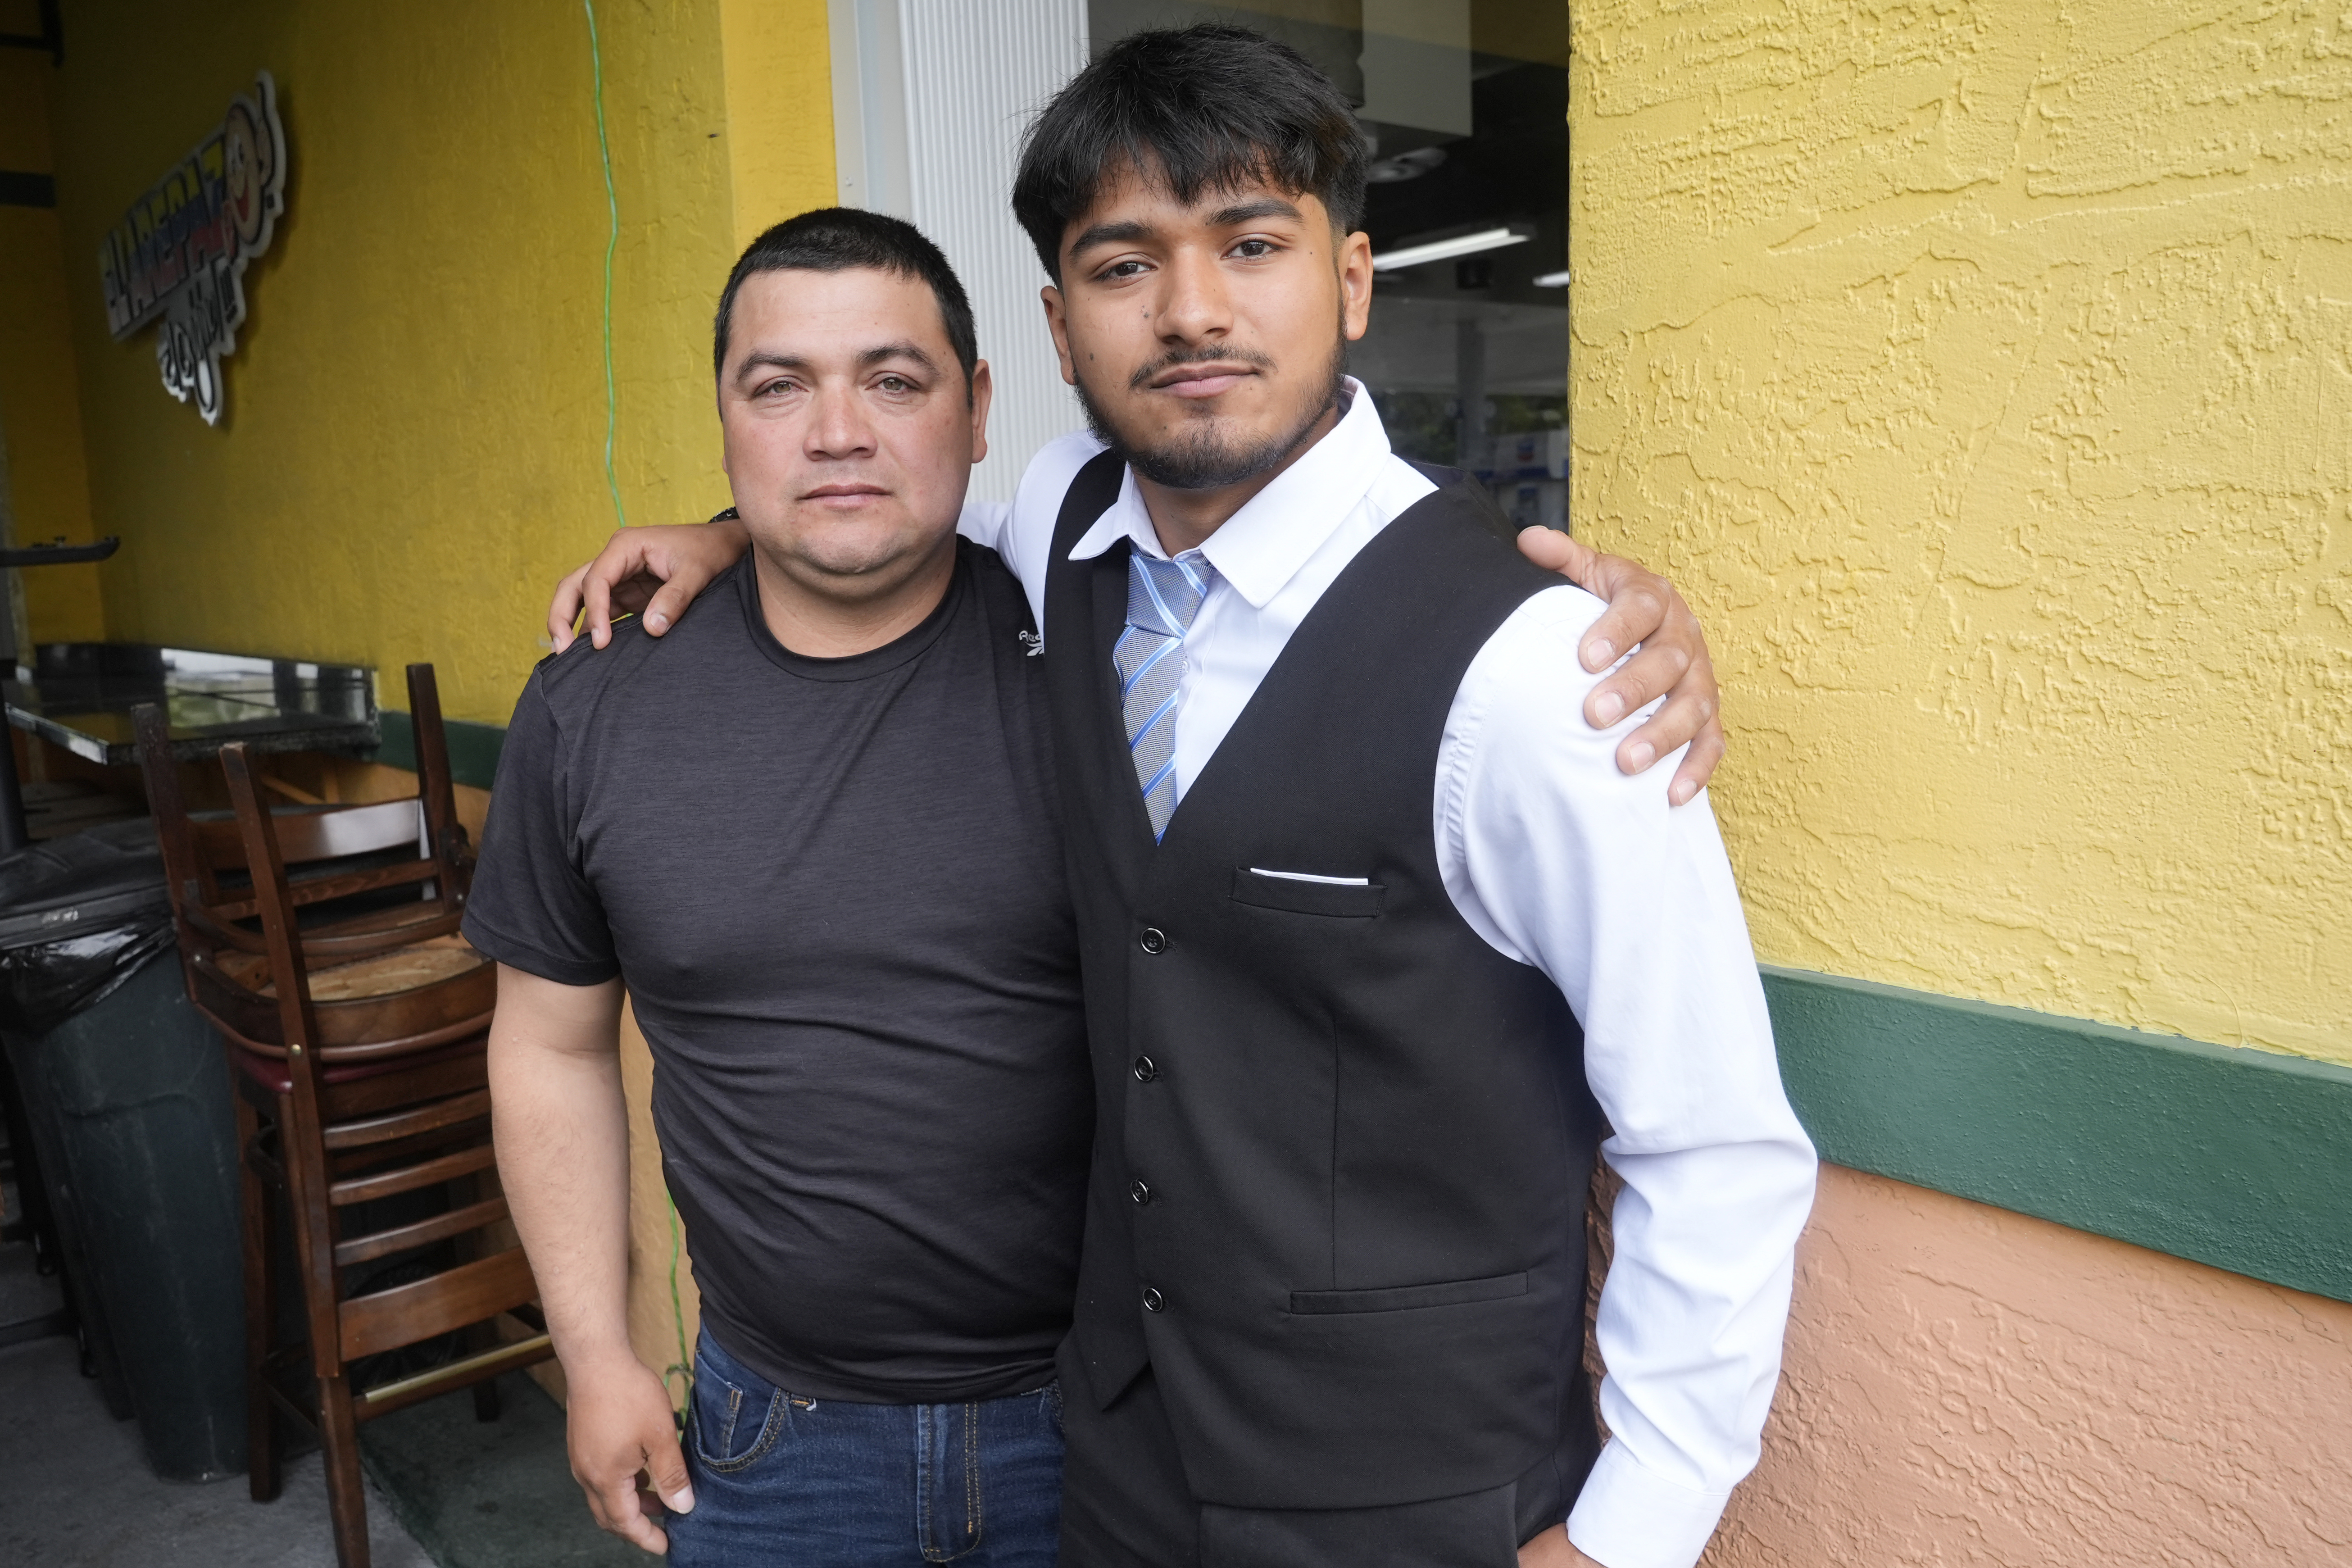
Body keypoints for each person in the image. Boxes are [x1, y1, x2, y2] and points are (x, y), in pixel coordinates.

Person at [547, 26, 1815, 1568]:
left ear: (1350, 282)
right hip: (1124, 1472)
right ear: (1063, 331)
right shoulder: (1057, 535)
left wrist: (1631, 1534)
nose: (1194, 310)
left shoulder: (1546, 674)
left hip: (1423, 1503)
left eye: (1253, 242)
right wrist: (719, 536)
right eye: (1126, 263)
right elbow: (864, 500)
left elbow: (1713, 1142)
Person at [474, 211, 1082, 1566]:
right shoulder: (596, 702)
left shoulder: (1109, 661)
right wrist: (596, 1353)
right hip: (773, 1444)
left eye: (894, 379)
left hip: (1106, 1424)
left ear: (978, 410)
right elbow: (549, 1043)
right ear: (728, 422)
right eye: (778, 386)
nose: (838, 431)